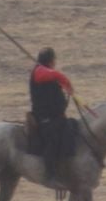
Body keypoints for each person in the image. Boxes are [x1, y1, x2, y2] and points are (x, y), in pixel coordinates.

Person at [28, 46, 78, 178]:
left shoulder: (45, 73)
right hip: (45, 117)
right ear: (50, 61)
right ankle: (49, 171)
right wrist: (66, 83)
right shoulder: (39, 72)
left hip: (55, 116)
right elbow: (54, 74)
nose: (55, 63)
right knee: (54, 138)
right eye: (54, 60)